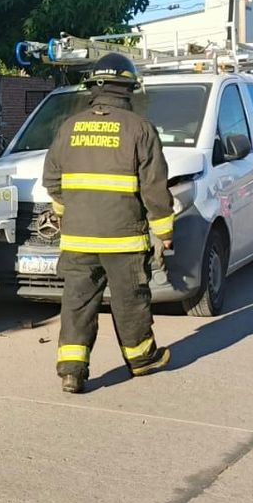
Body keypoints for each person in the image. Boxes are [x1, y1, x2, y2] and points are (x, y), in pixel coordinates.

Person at [42, 53, 173, 394]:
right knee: (130, 300)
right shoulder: (139, 129)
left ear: (93, 89)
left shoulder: (69, 127)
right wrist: (165, 230)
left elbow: (52, 179)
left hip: (77, 239)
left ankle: (72, 371)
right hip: (123, 241)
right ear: (128, 89)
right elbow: (154, 186)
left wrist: (69, 211)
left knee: (77, 303)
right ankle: (142, 359)